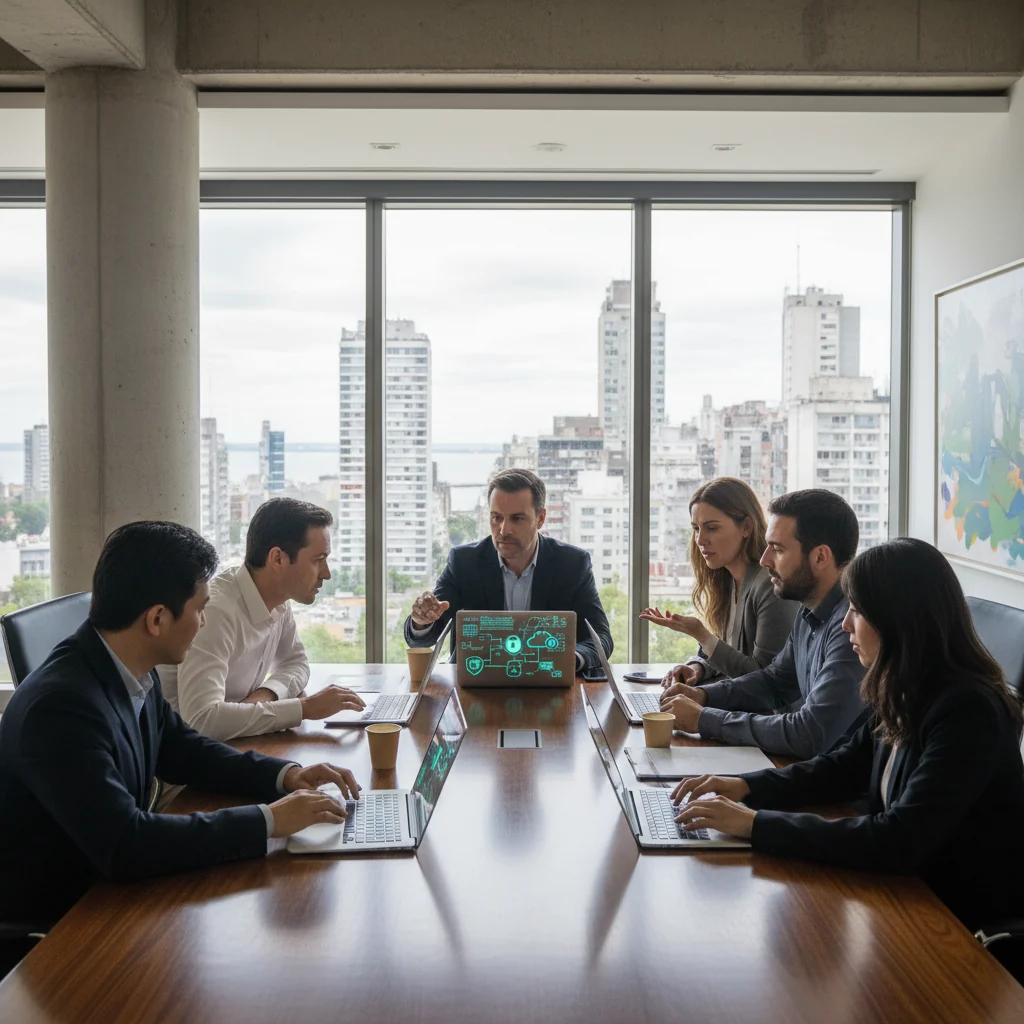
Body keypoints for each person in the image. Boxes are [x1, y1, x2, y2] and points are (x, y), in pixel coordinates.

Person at [0, 521, 359, 935]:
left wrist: (285, 776)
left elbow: (183, 749)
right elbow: (126, 844)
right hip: (64, 925)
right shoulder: (60, 709)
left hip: (111, 894)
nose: (204, 622)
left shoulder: (125, 663)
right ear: (157, 619)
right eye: (200, 608)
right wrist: (268, 821)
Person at [672, 537, 1024, 935]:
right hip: (904, 898)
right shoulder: (906, 686)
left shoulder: (967, 711)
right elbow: (841, 768)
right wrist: (742, 787)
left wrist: (756, 825)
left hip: (960, 927)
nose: (844, 624)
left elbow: (898, 839)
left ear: (899, 619)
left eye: (857, 610)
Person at [661, 489, 868, 758]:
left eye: (778, 549)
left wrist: (704, 719)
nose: (764, 559)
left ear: (820, 557)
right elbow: (774, 682)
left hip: (838, 791)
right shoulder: (809, 612)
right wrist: (704, 696)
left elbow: (808, 733)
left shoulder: (851, 628)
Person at [161, 498, 365, 741]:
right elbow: (202, 720)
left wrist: (266, 695)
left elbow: (296, 663)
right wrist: (304, 709)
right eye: (317, 560)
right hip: (182, 769)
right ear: (277, 558)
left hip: (232, 748)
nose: (327, 573)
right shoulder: (217, 611)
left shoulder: (279, 601)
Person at [404, 468, 613, 673]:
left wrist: (569, 660)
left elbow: (601, 637)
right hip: (475, 683)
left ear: (540, 518)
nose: (504, 530)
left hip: (549, 684)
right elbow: (425, 637)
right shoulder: (464, 562)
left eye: (517, 518)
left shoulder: (572, 564)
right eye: (496, 518)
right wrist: (422, 622)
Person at [639, 477, 798, 685]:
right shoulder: (726, 581)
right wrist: (697, 667)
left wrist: (701, 634)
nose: (700, 540)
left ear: (746, 527)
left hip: (764, 715)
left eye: (712, 528)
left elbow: (765, 681)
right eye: (696, 528)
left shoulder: (769, 585)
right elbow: (725, 652)